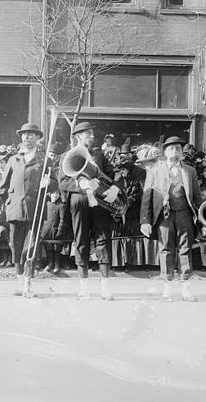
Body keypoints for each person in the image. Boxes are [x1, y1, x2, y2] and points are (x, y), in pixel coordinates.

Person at [57, 121, 119, 300]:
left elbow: (113, 174)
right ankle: (84, 286)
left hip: (100, 204)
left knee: (103, 241)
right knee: (81, 241)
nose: (92, 137)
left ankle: (105, 287)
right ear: (78, 136)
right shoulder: (65, 156)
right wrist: (81, 184)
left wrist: (114, 188)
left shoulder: (99, 154)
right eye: (88, 134)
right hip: (79, 202)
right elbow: (62, 181)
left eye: (92, 134)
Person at [0, 122, 53, 298]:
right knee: (15, 247)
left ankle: (28, 284)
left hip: (35, 210)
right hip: (15, 209)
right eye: (24, 135)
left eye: (31, 135)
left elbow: (55, 183)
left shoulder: (44, 159)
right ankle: (20, 282)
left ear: (38, 139)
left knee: (31, 248)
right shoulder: (13, 159)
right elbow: (2, 187)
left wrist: (49, 184)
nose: (26, 138)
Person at [140, 136, 202, 302]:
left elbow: (197, 196)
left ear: (182, 152)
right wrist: (145, 220)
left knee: (185, 249)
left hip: (185, 214)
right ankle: (167, 288)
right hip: (164, 215)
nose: (175, 151)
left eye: (178, 149)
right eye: (171, 148)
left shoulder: (190, 170)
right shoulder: (154, 170)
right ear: (165, 152)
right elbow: (147, 196)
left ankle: (185, 289)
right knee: (166, 249)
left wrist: (202, 219)